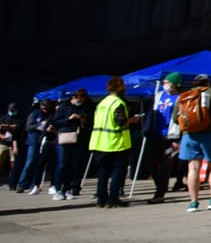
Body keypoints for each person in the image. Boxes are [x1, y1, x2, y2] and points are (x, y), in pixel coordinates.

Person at [174, 74, 211, 212]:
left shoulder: (184, 96)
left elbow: (176, 119)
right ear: (208, 83)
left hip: (190, 136)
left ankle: (193, 202)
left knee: (193, 168)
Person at [89, 77, 139, 207]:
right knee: (118, 171)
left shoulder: (102, 103)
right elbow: (120, 121)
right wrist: (132, 120)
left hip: (99, 142)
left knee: (103, 173)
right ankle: (113, 199)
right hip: (115, 143)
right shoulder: (118, 103)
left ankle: (101, 199)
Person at [141, 72, 181, 204]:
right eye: (164, 82)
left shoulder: (180, 98)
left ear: (175, 84)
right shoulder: (159, 96)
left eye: (168, 82)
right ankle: (160, 188)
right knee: (151, 164)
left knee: (164, 164)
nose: (165, 84)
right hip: (155, 134)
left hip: (169, 136)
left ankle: (160, 192)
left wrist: (177, 139)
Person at [51, 89, 92, 200]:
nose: (81, 102)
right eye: (79, 100)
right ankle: (58, 189)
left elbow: (88, 123)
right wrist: (68, 119)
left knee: (72, 165)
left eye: (82, 100)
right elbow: (55, 122)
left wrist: (83, 120)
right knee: (62, 164)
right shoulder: (64, 106)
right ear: (74, 97)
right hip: (64, 138)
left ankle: (67, 189)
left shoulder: (83, 108)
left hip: (78, 138)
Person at [19, 99, 55, 194]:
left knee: (39, 164)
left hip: (45, 140)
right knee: (30, 162)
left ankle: (33, 184)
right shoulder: (35, 113)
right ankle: (22, 183)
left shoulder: (51, 114)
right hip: (34, 141)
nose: (45, 110)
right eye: (43, 108)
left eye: (47, 108)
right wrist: (39, 125)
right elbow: (28, 127)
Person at [0, 103, 20, 190]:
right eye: (11, 110)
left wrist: (6, 126)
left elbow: (17, 127)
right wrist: (2, 136)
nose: (12, 112)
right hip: (2, 143)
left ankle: (11, 182)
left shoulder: (18, 119)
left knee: (13, 163)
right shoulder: (3, 118)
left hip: (13, 144)